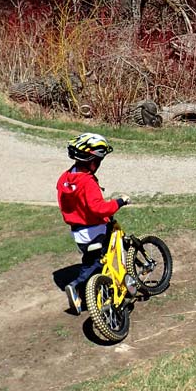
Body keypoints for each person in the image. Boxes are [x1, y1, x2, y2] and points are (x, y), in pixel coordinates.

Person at [57, 132, 130, 314]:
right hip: (93, 230)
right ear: (92, 161)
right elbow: (99, 209)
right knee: (95, 264)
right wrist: (119, 202)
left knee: (91, 260)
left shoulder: (65, 178)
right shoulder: (87, 182)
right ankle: (77, 288)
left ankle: (91, 290)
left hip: (78, 231)